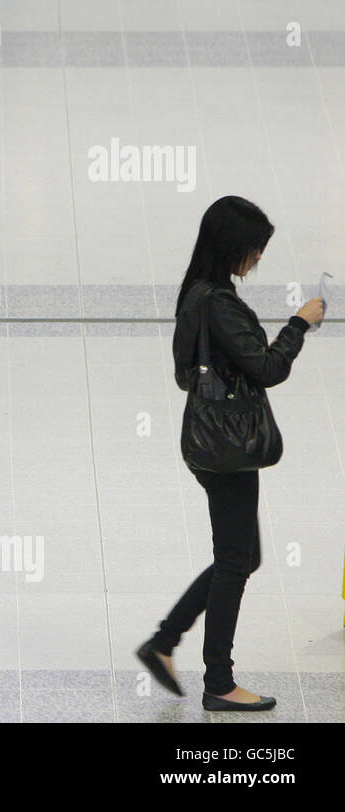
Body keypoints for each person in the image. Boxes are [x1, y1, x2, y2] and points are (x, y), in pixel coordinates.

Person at [136, 196, 323, 712]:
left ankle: (164, 642)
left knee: (239, 556)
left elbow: (183, 374)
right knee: (237, 558)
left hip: (204, 441)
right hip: (229, 447)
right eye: (254, 250)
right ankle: (218, 682)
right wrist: (300, 324)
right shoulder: (219, 301)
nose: (257, 259)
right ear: (232, 247)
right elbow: (266, 369)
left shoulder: (193, 293)